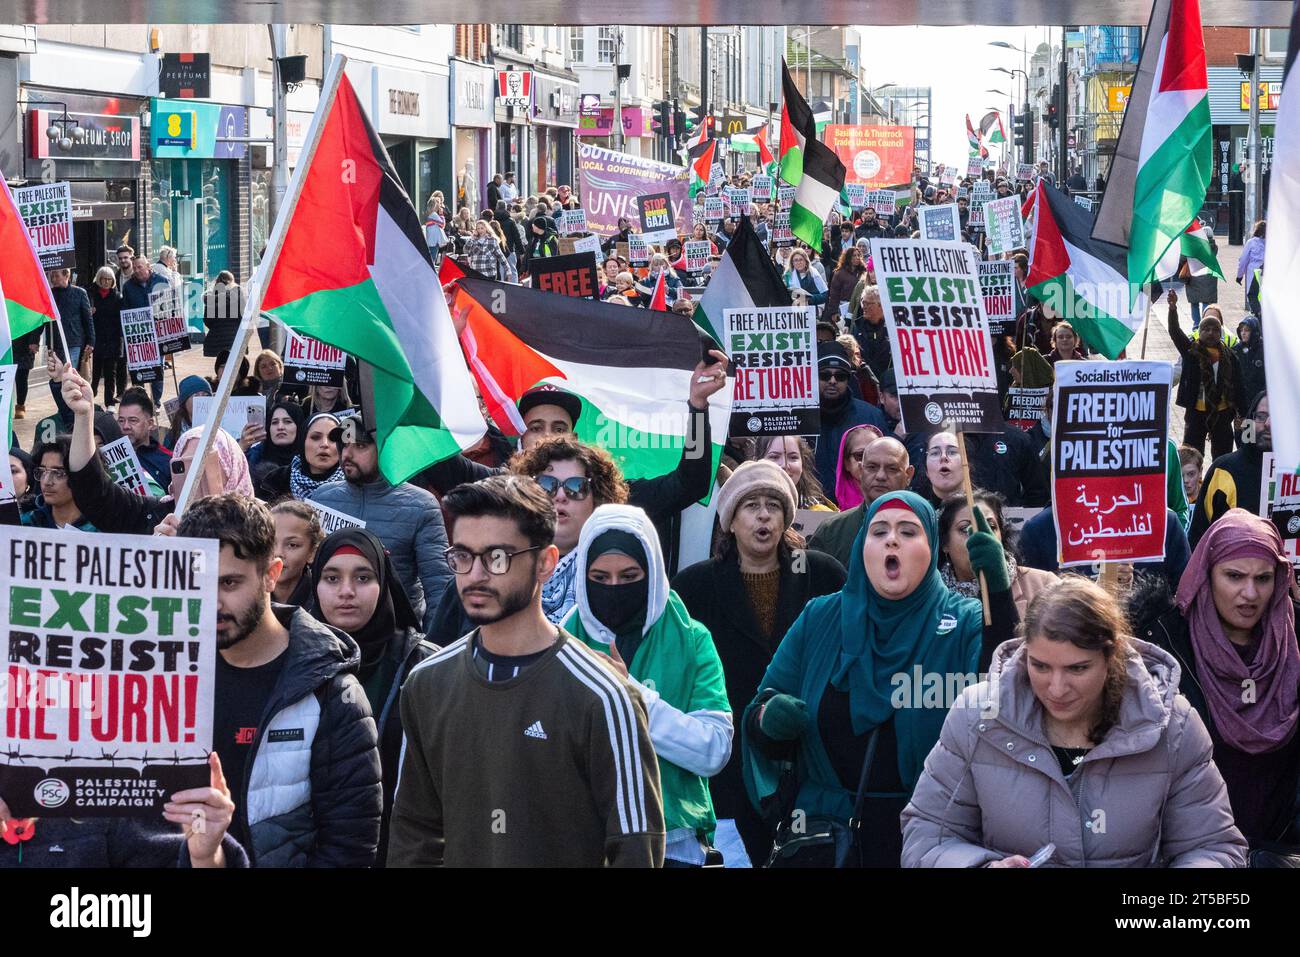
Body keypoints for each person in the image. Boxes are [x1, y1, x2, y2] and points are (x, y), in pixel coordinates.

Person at [387, 476, 665, 867]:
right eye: (463, 556)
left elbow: (637, 848)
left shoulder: (605, 695)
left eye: (497, 557)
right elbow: (414, 832)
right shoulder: (426, 683)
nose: (476, 575)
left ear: (545, 563)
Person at [742, 491, 1018, 867]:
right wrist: (770, 721)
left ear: (933, 549)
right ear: (860, 547)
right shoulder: (820, 618)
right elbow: (761, 710)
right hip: (825, 841)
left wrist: (999, 601)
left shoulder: (965, 621)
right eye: (879, 531)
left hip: (928, 838)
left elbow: (1003, 702)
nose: (892, 540)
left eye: (908, 532)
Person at [901, 577, 1247, 867]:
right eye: (1040, 666)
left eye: (1077, 668)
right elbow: (929, 835)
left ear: (1111, 658)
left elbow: (1213, 847)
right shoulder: (976, 719)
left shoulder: (1173, 726)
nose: (1056, 688)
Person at [172, 494, 383, 867]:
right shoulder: (166, 673)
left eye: (229, 583)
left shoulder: (332, 692)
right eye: (198, 582)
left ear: (271, 575)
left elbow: (349, 848)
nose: (211, 601)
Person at [673, 461, 847, 862]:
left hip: (809, 752)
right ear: (730, 521)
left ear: (787, 516)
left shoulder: (820, 573)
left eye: (773, 504)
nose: (763, 514)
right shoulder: (695, 585)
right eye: (751, 505)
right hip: (730, 760)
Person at [564, 505, 732, 866]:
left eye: (629, 577)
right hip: (585, 842)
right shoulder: (565, 638)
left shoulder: (692, 639)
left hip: (675, 843)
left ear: (652, 572)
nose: (614, 589)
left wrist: (633, 696)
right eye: (600, 577)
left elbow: (713, 749)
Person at [1135, 510, 1300, 849]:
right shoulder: (1166, 641)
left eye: (1263, 578)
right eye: (1234, 576)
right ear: (1206, 576)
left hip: (1286, 843)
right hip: (1193, 844)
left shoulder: (1297, 637)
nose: (1250, 594)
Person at [311, 527, 438, 860]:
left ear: (384, 584)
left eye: (363, 578)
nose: (347, 592)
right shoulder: (292, 660)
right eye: (332, 578)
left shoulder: (422, 667)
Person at [56, 362, 252, 535]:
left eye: (204, 466)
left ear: (231, 470)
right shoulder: (158, 515)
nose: (194, 476)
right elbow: (95, 493)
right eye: (182, 466)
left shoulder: (256, 528)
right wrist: (84, 415)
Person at [308, 412, 452, 633]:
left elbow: (439, 587)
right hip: (328, 636)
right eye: (345, 445)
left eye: (360, 446)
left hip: (396, 641)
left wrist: (430, 650)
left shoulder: (421, 506)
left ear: (385, 448)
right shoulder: (321, 498)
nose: (348, 454)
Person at [938, 491, 1058, 619]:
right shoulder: (934, 599)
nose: (980, 537)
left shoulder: (1045, 585)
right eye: (965, 529)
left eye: (990, 526)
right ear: (945, 543)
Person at [810, 436, 915, 569]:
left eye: (892, 469)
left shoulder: (925, 526)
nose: (880, 476)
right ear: (860, 471)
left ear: (909, 475)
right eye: (872, 467)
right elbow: (806, 578)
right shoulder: (831, 530)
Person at [1167, 290, 1243, 463]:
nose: (1210, 333)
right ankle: (1194, 485)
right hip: (1196, 414)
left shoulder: (1230, 356)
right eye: (1206, 329)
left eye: (1215, 329)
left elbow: (1239, 387)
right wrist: (1172, 309)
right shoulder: (1190, 351)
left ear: (1221, 332)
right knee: (1191, 455)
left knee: (1223, 457)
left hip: (1222, 414)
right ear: (1199, 331)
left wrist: (1242, 413)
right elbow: (1174, 331)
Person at [1190, 392, 1270, 549]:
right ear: (1250, 421)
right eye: (1261, 416)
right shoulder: (1224, 469)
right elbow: (1198, 540)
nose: (1268, 424)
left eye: (1279, 416)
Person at [814, 340, 887, 491]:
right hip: (810, 507)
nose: (832, 381)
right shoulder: (799, 417)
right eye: (824, 375)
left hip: (859, 504)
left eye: (840, 376)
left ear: (848, 379)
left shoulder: (871, 417)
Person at [46, 268, 95, 429]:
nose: (53, 278)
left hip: (74, 341)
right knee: (56, 377)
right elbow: (44, 318)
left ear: (66, 275)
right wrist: (34, 341)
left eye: (56, 275)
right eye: (51, 275)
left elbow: (87, 318)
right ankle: (65, 408)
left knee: (68, 375)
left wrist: (91, 340)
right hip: (55, 343)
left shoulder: (79, 293)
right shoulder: (50, 294)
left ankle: (70, 409)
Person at [260, 411, 344, 501]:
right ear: (302, 441)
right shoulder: (275, 482)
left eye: (333, 438)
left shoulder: (356, 485)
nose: (324, 444)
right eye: (315, 437)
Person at [22, 436, 96, 531]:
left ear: (81, 476)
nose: (47, 482)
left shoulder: (104, 528)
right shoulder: (25, 524)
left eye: (58, 473)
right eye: (42, 471)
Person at [753, 434, 835, 510]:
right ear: (757, 462)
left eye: (793, 457)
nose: (784, 465)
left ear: (802, 462)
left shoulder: (820, 513)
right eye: (774, 457)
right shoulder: (743, 511)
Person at [247, 398, 307, 497]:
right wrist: (242, 448)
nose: (280, 427)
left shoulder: (310, 463)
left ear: (299, 426)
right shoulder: (253, 458)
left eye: (287, 421)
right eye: (274, 422)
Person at [115, 389, 173, 489]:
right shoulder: (111, 457)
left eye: (133, 420)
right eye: (121, 420)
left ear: (150, 424)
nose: (125, 426)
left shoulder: (168, 461)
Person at [271, 499, 324, 608]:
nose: (278, 553)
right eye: (270, 542)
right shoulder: (247, 595)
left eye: (292, 545)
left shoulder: (322, 603)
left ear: (312, 552)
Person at [88, 266, 125, 407]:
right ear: (99, 279)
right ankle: (91, 395)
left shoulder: (117, 296)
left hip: (113, 339)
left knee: (111, 373)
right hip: (96, 338)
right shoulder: (91, 294)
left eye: (109, 280)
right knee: (95, 371)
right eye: (104, 279)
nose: (106, 282)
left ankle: (109, 402)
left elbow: (121, 318)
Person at [832, 423, 882, 512]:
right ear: (846, 463)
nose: (870, 461)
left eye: (876, 453)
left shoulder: (896, 502)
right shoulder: (831, 509)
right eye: (860, 455)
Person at [202, 271, 245, 358]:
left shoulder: (210, 297)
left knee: (221, 365)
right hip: (234, 337)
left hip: (217, 339)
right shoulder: (237, 293)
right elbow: (243, 316)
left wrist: (218, 326)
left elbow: (207, 321)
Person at [165, 374, 213, 450]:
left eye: (206, 395)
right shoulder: (173, 435)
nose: (201, 400)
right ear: (184, 402)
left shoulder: (219, 427)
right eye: (196, 396)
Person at [824, 246, 864, 324]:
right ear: (848, 257)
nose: (857, 257)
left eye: (858, 255)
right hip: (844, 308)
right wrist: (834, 312)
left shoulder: (863, 272)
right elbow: (834, 294)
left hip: (860, 307)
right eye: (854, 255)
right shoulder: (839, 273)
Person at [1233, 316, 1266, 409]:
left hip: (1260, 401)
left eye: (1247, 330)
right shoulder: (1236, 350)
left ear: (1254, 332)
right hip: (1242, 402)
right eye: (1241, 330)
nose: (1243, 333)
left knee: (1258, 422)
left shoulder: (1265, 350)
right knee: (1246, 424)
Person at [1237, 220, 1265, 314]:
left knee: (1253, 295)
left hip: (1254, 272)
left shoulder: (1251, 243)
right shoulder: (1271, 243)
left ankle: (1257, 316)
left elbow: (1243, 260)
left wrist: (1239, 276)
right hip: (1267, 271)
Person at [1178, 445, 1204, 532]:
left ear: (1200, 472)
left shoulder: (1209, 496)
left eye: (1191, 474)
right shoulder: (1169, 497)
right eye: (1180, 475)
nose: (1185, 480)